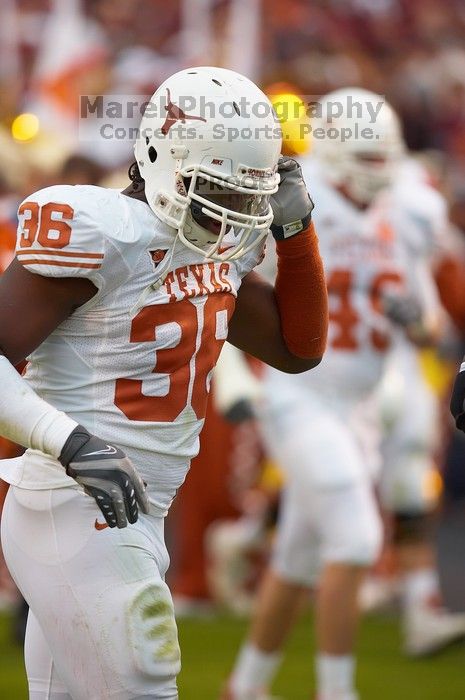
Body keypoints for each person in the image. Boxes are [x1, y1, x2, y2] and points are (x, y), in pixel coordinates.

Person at [0, 66, 328, 700]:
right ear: (159, 154)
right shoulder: (99, 230)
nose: (231, 214)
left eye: (246, 198)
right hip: (76, 500)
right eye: (218, 191)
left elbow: (297, 348)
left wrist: (296, 232)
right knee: (148, 680)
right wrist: (70, 442)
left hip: (134, 507)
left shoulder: (216, 250)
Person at [222, 88, 443, 700]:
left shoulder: (409, 212)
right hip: (300, 397)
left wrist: (413, 320)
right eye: (367, 158)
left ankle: (244, 687)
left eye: (385, 159)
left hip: (365, 407)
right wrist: (234, 378)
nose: (379, 172)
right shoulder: (290, 200)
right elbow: (230, 297)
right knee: (357, 540)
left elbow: (432, 327)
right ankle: (337, 692)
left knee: (298, 557)